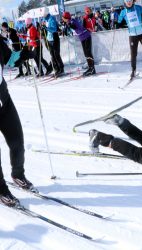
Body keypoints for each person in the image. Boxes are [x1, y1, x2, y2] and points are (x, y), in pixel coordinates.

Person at [0, 37, 35, 207]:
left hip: (3, 100)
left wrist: (24, 54)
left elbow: (10, 60)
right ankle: (1, 189)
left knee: (17, 141)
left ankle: (18, 174)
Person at [62, 12, 96, 76]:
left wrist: (69, 25)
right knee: (86, 53)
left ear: (66, 18)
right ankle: (90, 68)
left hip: (86, 36)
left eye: (63, 18)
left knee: (88, 53)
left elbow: (74, 26)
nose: (62, 19)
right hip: (83, 38)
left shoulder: (71, 21)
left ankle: (92, 69)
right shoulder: (69, 21)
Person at [42, 7, 65, 77]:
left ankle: (61, 69)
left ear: (46, 14)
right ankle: (56, 69)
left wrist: (45, 27)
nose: (43, 16)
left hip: (54, 38)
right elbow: (47, 29)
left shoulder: (51, 18)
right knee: (52, 55)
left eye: (43, 15)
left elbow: (54, 29)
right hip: (49, 39)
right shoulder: (46, 20)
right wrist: (42, 28)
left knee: (56, 55)